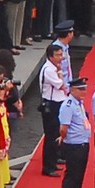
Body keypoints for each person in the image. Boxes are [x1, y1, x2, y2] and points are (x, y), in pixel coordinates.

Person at [58, 77, 91, 188]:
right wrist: (64, 138)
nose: (84, 91)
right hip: (74, 145)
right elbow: (63, 128)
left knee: (79, 175)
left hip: (83, 143)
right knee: (72, 176)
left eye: (85, 89)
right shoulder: (68, 105)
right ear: (72, 90)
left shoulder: (79, 103)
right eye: (80, 89)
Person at [39, 44, 68, 177]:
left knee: (56, 133)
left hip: (57, 102)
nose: (61, 57)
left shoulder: (53, 67)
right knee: (50, 135)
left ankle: (55, 159)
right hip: (51, 105)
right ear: (51, 56)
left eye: (61, 54)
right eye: (58, 55)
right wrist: (60, 72)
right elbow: (60, 84)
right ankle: (48, 167)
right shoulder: (49, 70)